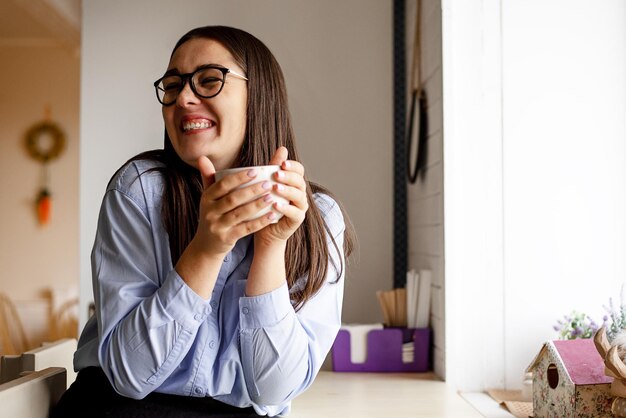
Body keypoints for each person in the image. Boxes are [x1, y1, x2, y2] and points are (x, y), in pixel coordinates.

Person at [52, 25, 354, 417]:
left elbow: (274, 389)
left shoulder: (318, 219)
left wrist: (272, 244)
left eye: (209, 80)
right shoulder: (140, 191)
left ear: (260, 97)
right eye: (173, 85)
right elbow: (129, 375)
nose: (184, 98)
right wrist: (207, 248)